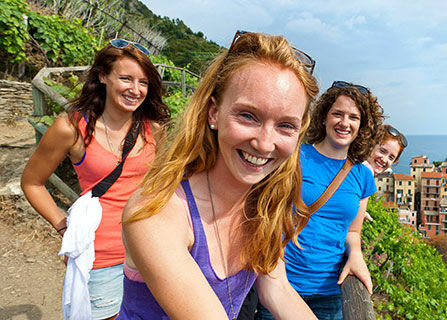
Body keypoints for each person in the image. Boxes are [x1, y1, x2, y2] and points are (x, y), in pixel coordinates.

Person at [118, 31, 319, 320]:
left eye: (286, 126)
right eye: (248, 116)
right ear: (214, 113)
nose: (264, 143)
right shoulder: (155, 213)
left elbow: (278, 291)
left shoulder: (263, 206)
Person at [21, 39, 169, 319]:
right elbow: (32, 182)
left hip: (148, 254)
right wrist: (64, 228)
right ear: (103, 76)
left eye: (144, 82)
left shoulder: (155, 130)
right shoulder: (71, 128)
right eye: (125, 78)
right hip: (99, 258)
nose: (135, 90)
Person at [256, 81, 384, 320]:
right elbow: (267, 211)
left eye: (353, 117)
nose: (344, 123)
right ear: (324, 117)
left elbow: (353, 231)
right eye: (338, 114)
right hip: (282, 281)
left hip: (330, 291)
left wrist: (356, 255)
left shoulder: (363, 176)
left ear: (362, 126)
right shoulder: (294, 156)